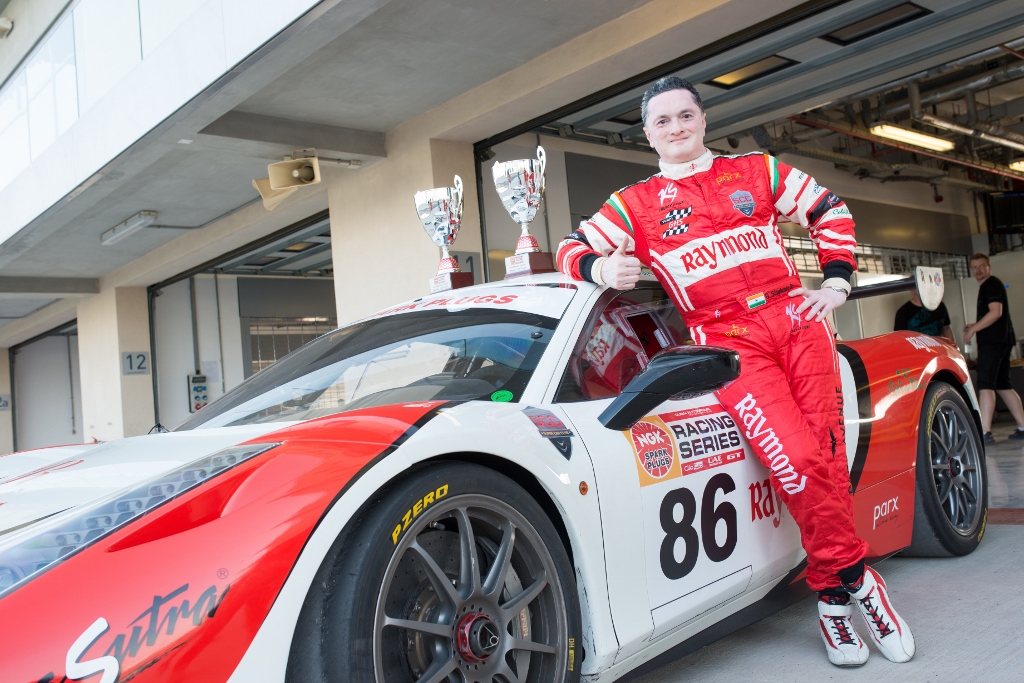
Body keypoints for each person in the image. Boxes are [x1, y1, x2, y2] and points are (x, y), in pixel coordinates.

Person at [556, 77, 915, 668]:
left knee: (823, 458)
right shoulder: (634, 204)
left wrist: (836, 282)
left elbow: (829, 210)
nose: (676, 128)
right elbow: (573, 249)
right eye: (662, 121)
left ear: (702, 118)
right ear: (647, 135)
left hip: (799, 322)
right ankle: (856, 580)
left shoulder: (756, 170)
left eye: (684, 115)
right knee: (796, 461)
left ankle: (828, 598)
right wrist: (601, 269)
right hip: (727, 342)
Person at [963, 253, 1024, 442]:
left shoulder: (991, 284)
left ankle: (984, 432)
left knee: (985, 385)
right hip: (1001, 341)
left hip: (994, 343)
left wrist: (973, 329)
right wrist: (975, 325)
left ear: (989, 266)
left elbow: (996, 313)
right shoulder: (990, 285)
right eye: (974, 267)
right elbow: (993, 316)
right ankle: (1023, 426)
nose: (978, 271)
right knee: (1004, 386)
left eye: (982, 266)